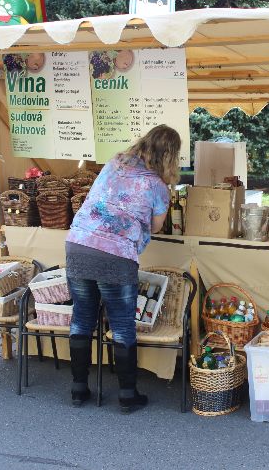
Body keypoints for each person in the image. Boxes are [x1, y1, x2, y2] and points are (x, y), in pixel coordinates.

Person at [65, 124, 180, 413]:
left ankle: (78, 389)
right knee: (122, 324)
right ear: (170, 156)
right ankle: (127, 395)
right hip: (116, 254)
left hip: (79, 244)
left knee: (82, 318)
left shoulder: (114, 163)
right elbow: (156, 226)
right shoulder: (157, 186)